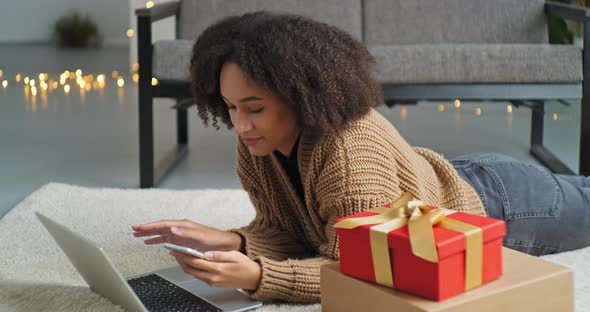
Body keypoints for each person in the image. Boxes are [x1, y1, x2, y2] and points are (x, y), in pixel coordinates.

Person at [131, 11, 590, 303]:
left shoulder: (348, 155)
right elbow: (293, 232)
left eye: (254, 108)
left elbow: (355, 272)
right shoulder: (258, 144)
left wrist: (257, 276)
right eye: (231, 107)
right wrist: (232, 241)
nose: (240, 124)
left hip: (504, 203)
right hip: (452, 176)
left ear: (299, 96)